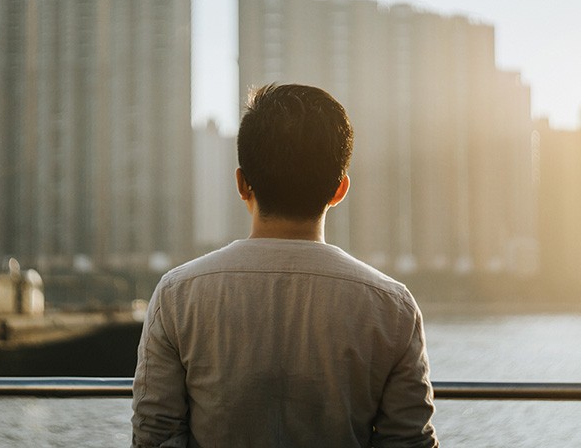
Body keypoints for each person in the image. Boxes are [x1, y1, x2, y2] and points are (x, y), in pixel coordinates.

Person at [131, 83, 438, 448]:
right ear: (340, 190)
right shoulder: (392, 306)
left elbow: (155, 436)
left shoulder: (177, 294)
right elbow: (408, 441)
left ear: (242, 183)